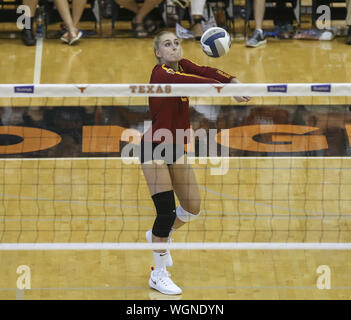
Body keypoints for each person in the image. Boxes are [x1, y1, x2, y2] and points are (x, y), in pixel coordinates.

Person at [141, 30, 250, 295]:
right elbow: (193, 80)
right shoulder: (162, 74)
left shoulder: (183, 65)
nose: (174, 47)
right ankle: (158, 274)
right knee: (165, 212)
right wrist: (225, 89)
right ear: (158, 52)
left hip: (175, 146)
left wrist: (232, 81)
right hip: (153, 148)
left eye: (176, 43)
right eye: (167, 45)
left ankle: (157, 236)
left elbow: (205, 70)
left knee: (191, 208)